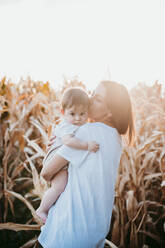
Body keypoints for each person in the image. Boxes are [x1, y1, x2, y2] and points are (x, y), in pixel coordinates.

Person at [38, 80, 135, 248]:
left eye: (97, 99)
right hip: (93, 235)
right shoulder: (115, 139)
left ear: (111, 112)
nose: (89, 100)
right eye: (91, 94)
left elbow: (46, 173)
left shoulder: (87, 133)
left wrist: (54, 148)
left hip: (66, 234)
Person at [36, 88, 99, 222]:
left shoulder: (78, 125)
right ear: (63, 112)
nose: (77, 118)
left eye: (82, 114)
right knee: (59, 186)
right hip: (55, 157)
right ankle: (42, 209)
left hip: (60, 158)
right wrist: (86, 146)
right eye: (72, 114)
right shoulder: (66, 126)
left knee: (62, 187)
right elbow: (68, 141)